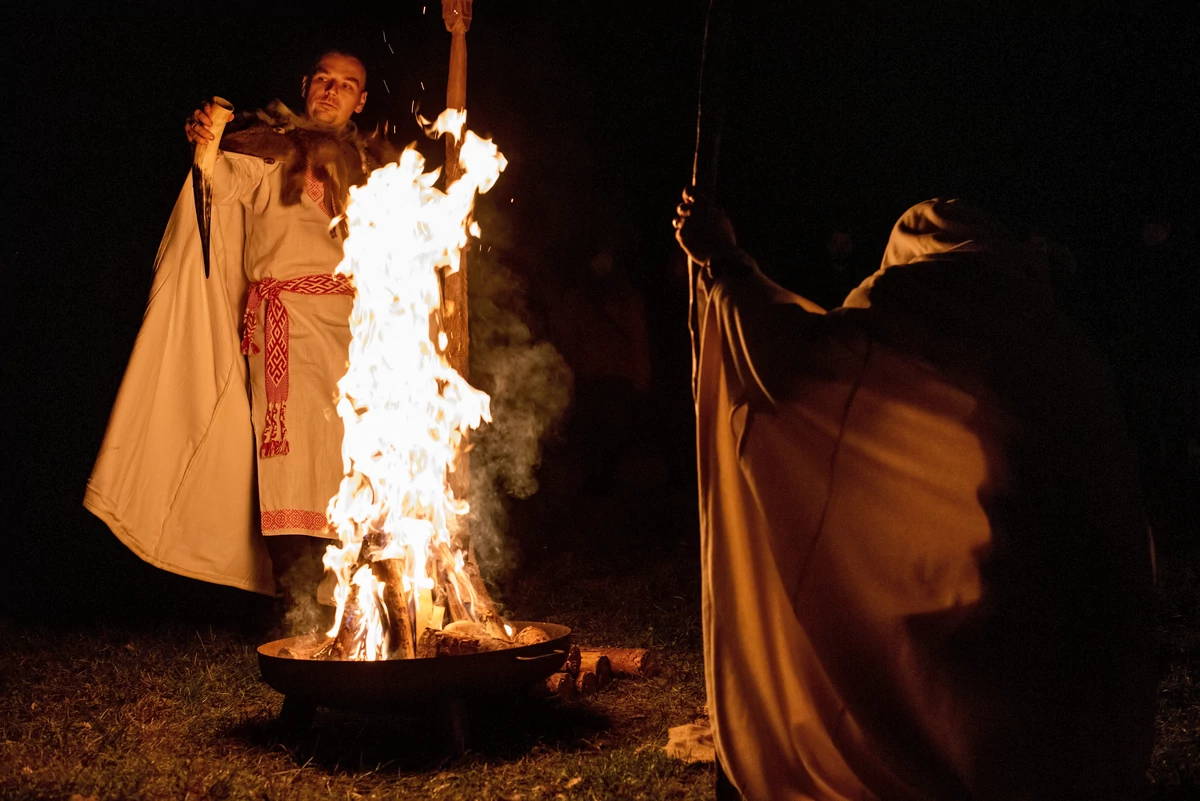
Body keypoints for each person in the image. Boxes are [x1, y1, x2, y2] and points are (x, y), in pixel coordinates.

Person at [673, 190, 1157, 800]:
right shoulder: (1056, 333)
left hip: (997, 587)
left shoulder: (910, 305)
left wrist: (727, 266)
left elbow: (798, 364)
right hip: (1073, 603)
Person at [85, 50, 394, 633]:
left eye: (347, 84)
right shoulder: (268, 151)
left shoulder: (377, 167)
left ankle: (353, 606)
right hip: (287, 328)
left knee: (357, 467)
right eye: (323, 80)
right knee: (294, 463)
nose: (332, 91)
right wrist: (209, 141)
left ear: (362, 100)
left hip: (360, 334)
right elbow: (220, 182)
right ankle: (301, 614)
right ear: (305, 85)